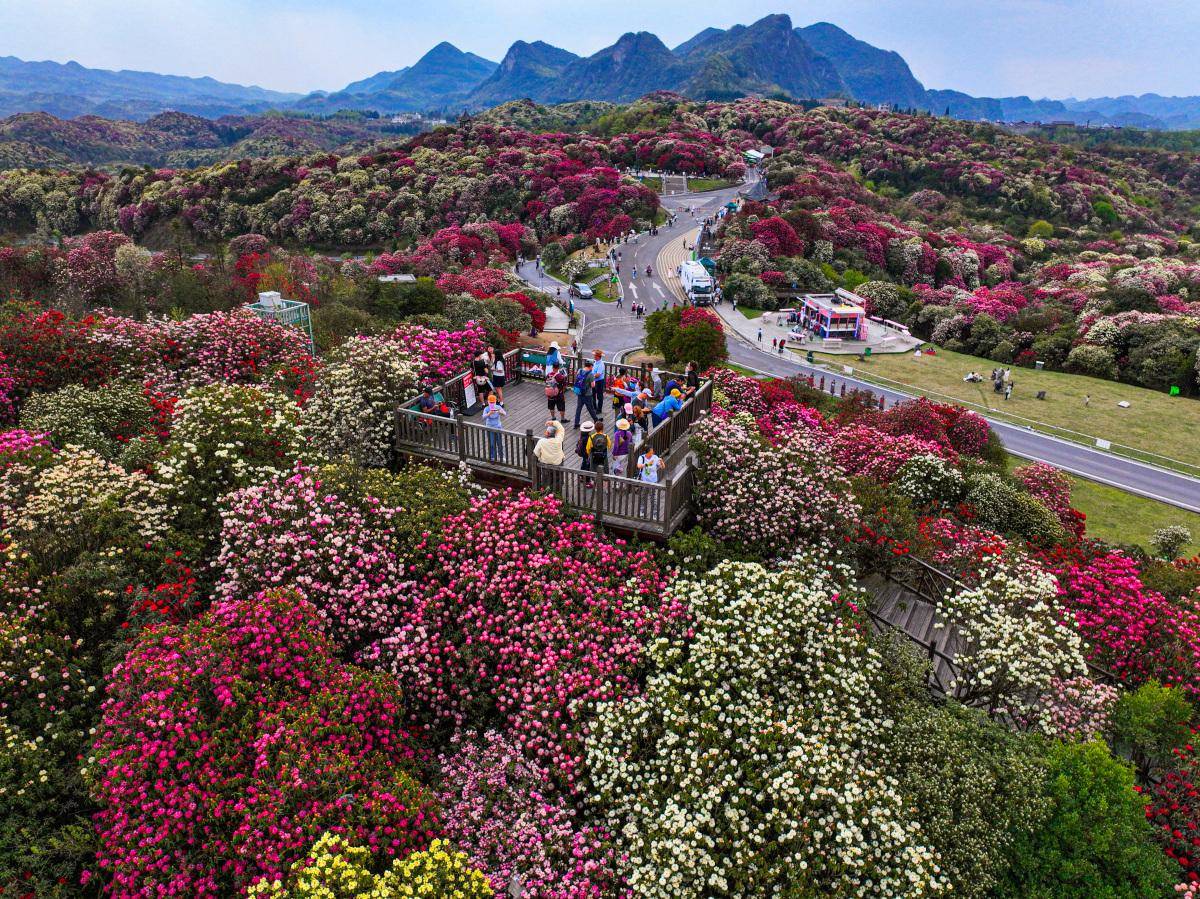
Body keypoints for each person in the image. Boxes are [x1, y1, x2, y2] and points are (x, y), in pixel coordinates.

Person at [573, 360, 599, 427]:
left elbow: (577, 379)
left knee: (578, 408)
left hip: (580, 392)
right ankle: (596, 420)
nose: (592, 367)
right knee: (590, 408)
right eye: (592, 366)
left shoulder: (580, 371)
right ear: (590, 366)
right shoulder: (590, 374)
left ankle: (576, 423)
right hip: (587, 394)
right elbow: (593, 385)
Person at [482, 393, 506, 461]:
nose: (492, 403)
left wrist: (500, 412)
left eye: (493, 402)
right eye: (490, 402)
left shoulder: (498, 407)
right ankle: (492, 456)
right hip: (490, 428)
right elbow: (483, 417)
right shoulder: (486, 408)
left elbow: (505, 414)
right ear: (488, 402)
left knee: (500, 443)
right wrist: (489, 413)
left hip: (498, 427)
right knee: (492, 443)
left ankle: (501, 456)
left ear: (496, 401)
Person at [591, 350, 607, 420]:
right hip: (594, 381)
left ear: (598, 356)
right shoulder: (595, 362)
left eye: (595, 355)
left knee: (599, 396)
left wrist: (590, 377)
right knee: (593, 394)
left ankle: (599, 409)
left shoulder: (601, 364)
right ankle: (594, 407)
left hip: (599, 381)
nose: (594, 356)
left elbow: (598, 375)